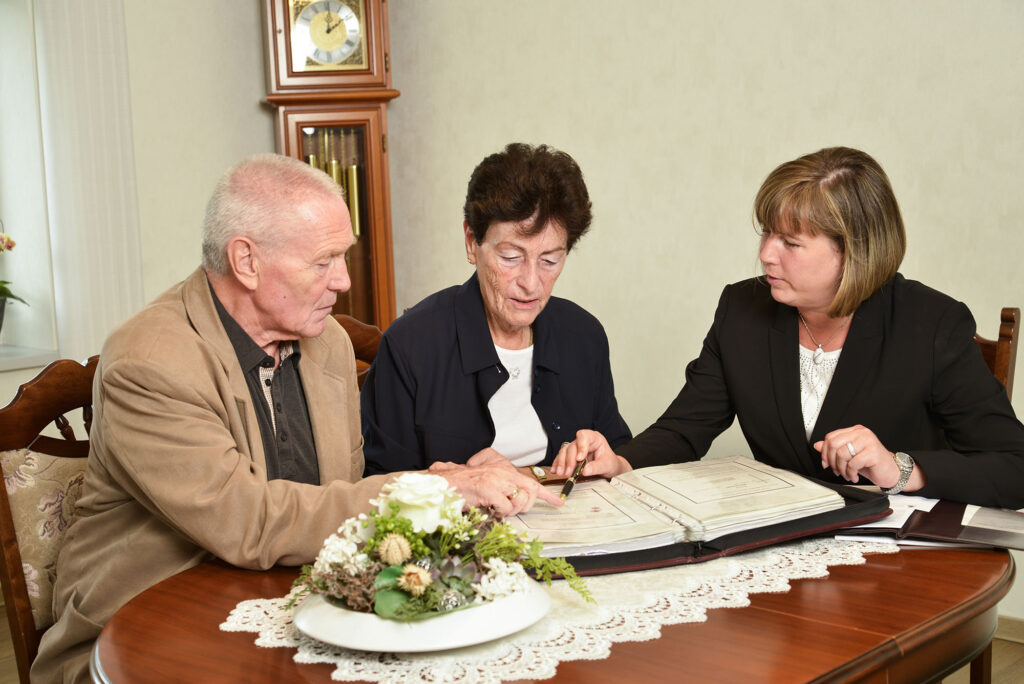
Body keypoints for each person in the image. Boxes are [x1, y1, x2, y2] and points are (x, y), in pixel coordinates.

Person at [32, 154, 557, 683]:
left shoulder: (326, 342)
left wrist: (453, 488)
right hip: (143, 639)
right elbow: (249, 522)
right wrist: (424, 492)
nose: (344, 281)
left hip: (296, 616)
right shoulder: (149, 361)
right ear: (246, 261)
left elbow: (340, 507)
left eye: (344, 257)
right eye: (324, 260)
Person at [553, 146, 1024, 510]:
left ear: (855, 250)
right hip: (782, 552)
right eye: (766, 232)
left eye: (790, 242)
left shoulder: (931, 324)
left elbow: (1014, 468)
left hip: (897, 561)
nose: (766, 254)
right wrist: (620, 461)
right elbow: (684, 429)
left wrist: (901, 469)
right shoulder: (742, 308)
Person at [361, 143, 631, 476]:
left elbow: (616, 451)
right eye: (510, 257)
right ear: (472, 241)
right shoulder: (411, 345)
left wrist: (611, 462)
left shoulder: (583, 334)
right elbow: (382, 489)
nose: (531, 283)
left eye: (550, 260)